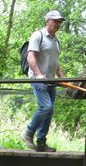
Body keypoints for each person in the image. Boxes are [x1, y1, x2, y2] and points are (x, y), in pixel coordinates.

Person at [21, 10, 65, 153]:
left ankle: (41, 143)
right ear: (47, 21)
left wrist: (60, 76)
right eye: (55, 21)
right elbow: (31, 57)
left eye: (59, 22)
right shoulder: (38, 35)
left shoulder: (56, 40)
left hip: (51, 80)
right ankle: (28, 133)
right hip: (38, 79)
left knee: (50, 110)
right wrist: (39, 75)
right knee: (45, 107)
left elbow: (55, 60)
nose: (58, 24)